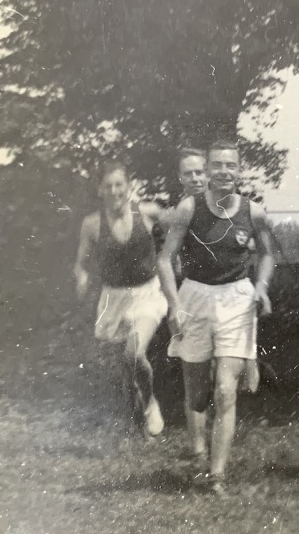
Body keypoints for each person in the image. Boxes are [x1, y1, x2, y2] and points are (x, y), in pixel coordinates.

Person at [157, 139, 275, 494]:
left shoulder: (253, 213)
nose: (224, 172)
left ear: (239, 171)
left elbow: (268, 254)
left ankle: (217, 475)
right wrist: (174, 303)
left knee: (226, 389)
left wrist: (262, 286)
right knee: (197, 395)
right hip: (195, 296)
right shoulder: (189, 209)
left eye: (231, 166)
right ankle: (198, 451)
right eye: (217, 165)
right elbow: (164, 259)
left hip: (236, 299)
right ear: (207, 170)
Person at [74, 161, 169, 437]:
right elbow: (80, 263)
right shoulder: (92, 224)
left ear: (129, 187)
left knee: (134, 352)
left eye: (119, 185)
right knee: (128, 372)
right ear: (100, 190)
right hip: (113, 300)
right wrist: (81, 278)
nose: (115, 191)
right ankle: (139, 426)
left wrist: (171, 264)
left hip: (147, 294)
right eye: (108, 186)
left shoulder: (148, 212)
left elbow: (176, 234)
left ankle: (151, 404)